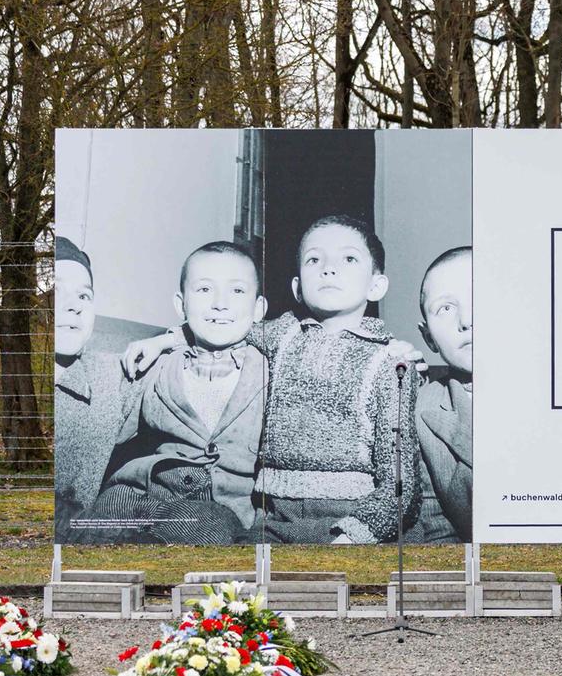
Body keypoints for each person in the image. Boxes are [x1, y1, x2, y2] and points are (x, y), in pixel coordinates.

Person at [251, 214, 419, 543]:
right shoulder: (282, 333)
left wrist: (358, 532)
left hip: (352, 516)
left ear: (376, 285)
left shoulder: (391, 361)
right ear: (297, 287)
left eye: (349, 258)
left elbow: (400, 477)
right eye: (314, 259)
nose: (328, 268)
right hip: (272, 515)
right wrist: (168, 340)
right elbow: (230, 330)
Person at [95, 241, 270, 542]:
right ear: (181, 305)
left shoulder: (269, 368)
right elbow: (108, 424)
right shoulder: (159, 364)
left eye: (237, 291)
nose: (220, 303)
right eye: (204, 290)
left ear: (259, 309)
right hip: (148, 491)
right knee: (106, 509)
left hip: (227, 511)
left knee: (214, 529)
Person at [52, 237, 136, 540]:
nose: (73, 305)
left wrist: (169, 339)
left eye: (84, 296)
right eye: (54, 290)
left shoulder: (108, 375)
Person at [411, 246, 473, 542]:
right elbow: (437, 532)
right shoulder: (421, 410)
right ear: (429, 339)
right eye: (445, 308)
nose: (467, 320)